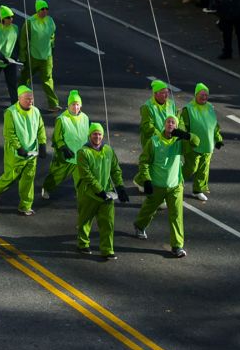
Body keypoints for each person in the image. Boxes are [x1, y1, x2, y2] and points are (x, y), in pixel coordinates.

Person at [133, 113, 187, 256]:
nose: (170, 124)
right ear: (164, 124)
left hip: (175, 186)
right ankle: (139, 225)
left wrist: (187, 135)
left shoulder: (179, 141)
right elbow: (144, 162)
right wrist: (147, 180)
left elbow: (197, 143)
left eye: (173, 123)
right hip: (157, 185)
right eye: (168, 122)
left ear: (176, 126)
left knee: (176, 216)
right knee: (150, 209)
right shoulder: (154, 141)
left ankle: (177, 246)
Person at [75, 122, 128, 261]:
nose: (97, 136)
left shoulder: (109, 151)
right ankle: (83, 243)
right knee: (85, 220)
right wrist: (99, 191)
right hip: (88, 193)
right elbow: (86, 175)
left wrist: (120, 187)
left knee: (108, 223)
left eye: (99, 134)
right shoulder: (83, 152)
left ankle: (107, 250)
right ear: (89, 135)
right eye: (94, 134)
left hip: (106, 193)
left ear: (103, 136)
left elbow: (115, 170)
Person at [0, 85, 46, 216]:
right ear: (19, 98)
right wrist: (19, 148)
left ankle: (25, 206)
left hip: (32, 153)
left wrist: (42, 144)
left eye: (32, 99)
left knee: (28, 180)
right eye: (27, 99)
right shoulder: (10, 113)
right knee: (10, 177)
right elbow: (9, 134)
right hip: (15, 154)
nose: (30, 102)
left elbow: (40, 129)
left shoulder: (36, 112)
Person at [40, 89, 89, 200]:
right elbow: (57, 137)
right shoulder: (62, 119)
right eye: (73, 104)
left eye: (77, 104)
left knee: (81, 178)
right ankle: (46, 187)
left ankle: (82, 196)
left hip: (80, 156)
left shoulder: (85, 118)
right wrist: (63, 148)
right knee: (57, 176)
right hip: (66, 156)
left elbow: (87, 134)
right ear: (68, 105)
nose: (75, 107)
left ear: (80, 105)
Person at [180, 83, 223, 201]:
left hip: (208, 145)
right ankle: (176, 182)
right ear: (196, 94)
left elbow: (214, 125)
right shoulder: (188, 109)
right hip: (193, 145)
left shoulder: (210, 107)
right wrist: (184, 135)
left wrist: (218, 138)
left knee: (203, 170)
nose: (204, 97)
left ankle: (197, 190)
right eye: (202, 94)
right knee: (191, 168)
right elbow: (182, 124)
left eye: (206, 95)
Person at [19, 0, 60, 111]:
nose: (45, 11)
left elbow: (52, 35)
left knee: (48, 80)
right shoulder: (30, 22)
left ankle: (53, 104)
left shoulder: (50, 21)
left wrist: (51, 45)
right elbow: (23, 39)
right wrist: (22, 56)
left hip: (46, 57)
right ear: (37, 10)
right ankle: (20, 100)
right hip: (33, 56)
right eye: (42, 9)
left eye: (46, 9)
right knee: (25, 79)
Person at [0, 4, 22, 108]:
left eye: (12, 17)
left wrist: (14, 57)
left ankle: (15, 104)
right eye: (8, 17)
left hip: (11, 61)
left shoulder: (15, 28)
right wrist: (2, 58)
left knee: (12, 83)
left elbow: (17, 44)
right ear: (2, 18)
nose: (11, 19)